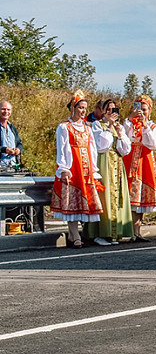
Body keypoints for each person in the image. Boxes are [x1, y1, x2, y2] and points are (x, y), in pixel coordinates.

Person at [49, 90, 103, 249]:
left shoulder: (88, 128)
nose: (83, 111)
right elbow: (62, 148)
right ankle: (75, 234)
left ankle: (74, 234)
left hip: (85, 169)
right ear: (73, 108)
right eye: (80, 108)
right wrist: (64, 168)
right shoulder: (64, 127)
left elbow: (92, 150)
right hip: (73, 167)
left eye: (85, 108)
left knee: (83, 201)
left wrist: (94, 170)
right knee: (71, 201)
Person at [84, 99, 133, 246]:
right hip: (104, 163)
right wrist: (109, 127)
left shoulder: (119, 128)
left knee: (117, 197)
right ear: (103, 112)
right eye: (109, 110)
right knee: (104, 198)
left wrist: (120, 134)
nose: (112, 113)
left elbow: (125, 150)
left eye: (114, 110)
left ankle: (115, 232)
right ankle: (100, 232)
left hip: (117, 164)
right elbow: (102, 146)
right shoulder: (97, 125)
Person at [123, 94, 156, 241]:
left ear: (149, 110)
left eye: (144, 109)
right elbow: (124, 138)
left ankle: (137, 230)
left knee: (141, 199)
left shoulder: (152, 127)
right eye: (139, 109)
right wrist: (129, 119)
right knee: (131, 198)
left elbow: (154, 144)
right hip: (129, 162)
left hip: (144, 163)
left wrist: (145, 125)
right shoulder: (129, 125)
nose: (142, 112)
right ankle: (132, 230)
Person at [0, 100, 23, 169]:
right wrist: (4, 150)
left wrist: (18, 150)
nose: (6, 112)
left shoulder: (12, 128)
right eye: (3, 109)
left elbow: (19, 143)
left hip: (13, 167)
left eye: (8, 110)